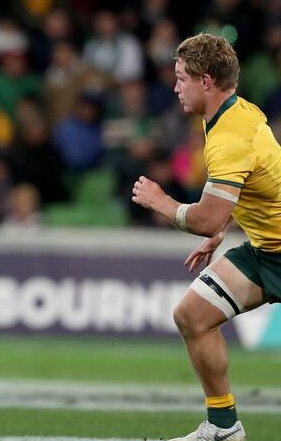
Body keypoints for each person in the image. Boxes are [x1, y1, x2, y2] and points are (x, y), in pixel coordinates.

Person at [131, 33, 281, 441]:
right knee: (193, 316)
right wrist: (222, 230)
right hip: (268, 249)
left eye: (182, 78)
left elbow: (203, 217)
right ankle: (223, 426)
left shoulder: (230, 136)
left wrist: (161, 201)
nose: (175, 86)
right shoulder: (231, 115)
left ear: (207, 81)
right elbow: (256, 188)